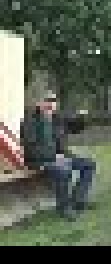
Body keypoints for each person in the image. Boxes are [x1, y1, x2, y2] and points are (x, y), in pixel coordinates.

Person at [20, 92, 96, 220]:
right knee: (63, 170)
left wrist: (82, 117)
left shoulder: (58, 119)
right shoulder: (29, 122)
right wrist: (54, 157)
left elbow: (76, 128)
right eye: (47, 101)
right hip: (38, 160)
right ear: (39, 103)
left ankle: (79, 200)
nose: (51, 104)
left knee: (89, 165)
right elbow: (30, 148)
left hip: (60, 157)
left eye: (53, 101)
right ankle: (64, 208)